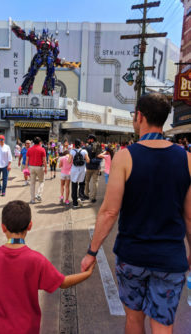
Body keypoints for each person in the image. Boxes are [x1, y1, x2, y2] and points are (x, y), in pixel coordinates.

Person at [81, 93, 191, 334]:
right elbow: (190, 216)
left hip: (132, 256)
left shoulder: (125, 157)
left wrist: (92, 252)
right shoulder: (187, 159)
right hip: (170, 258)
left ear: (139, 117)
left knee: (133, 319)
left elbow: (109, 211)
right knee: (163, 324)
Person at [0, 200, 95, 334]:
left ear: (3, 227)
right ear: (30, 226)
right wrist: (87, 274)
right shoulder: (36, 260)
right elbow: (63, 283)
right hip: (26, 329)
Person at [25, 137, 47, 204]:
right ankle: (38, 194)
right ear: (40, 142)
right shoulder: (42, 149)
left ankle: (32, 199)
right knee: (41, 181)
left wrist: (26, 168)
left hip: (31, 167)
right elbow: (44, 160)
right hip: (39, 167)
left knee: (32, 183)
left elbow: (27, 160)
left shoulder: (29, 149)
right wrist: (45, 168)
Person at [68, 139, 89, 208]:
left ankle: (75, 203)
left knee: (74, 184)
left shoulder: (72, 151)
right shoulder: (84, 151)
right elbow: (88, 160)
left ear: (74, 144)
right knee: (82, 183)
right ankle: (80, 197)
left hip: (74, 170)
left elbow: (69, 161)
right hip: (82, 169)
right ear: (81, 144)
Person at [84, 134, 102, 203]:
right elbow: (100, 157)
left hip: (89, 167)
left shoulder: (87, 147)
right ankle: (93, 197)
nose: (88, 140)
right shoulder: (99, 146)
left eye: (89, 139)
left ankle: (86, 194)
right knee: (95, 182)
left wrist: (90, 161)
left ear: (92, 139)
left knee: (87, 181)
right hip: (96, 167)